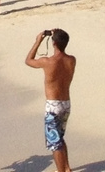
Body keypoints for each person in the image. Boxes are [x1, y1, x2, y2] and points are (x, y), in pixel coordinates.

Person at [25, 29, 77, 172]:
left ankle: (61, 171)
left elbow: (28, 61)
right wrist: (57, 36)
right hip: (66, 104)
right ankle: (66, 168)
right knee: (59, 137)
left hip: (53, 105)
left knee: (54, 142)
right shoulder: (71, 60)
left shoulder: (48, 62)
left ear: (53, 43)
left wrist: (38, 41)